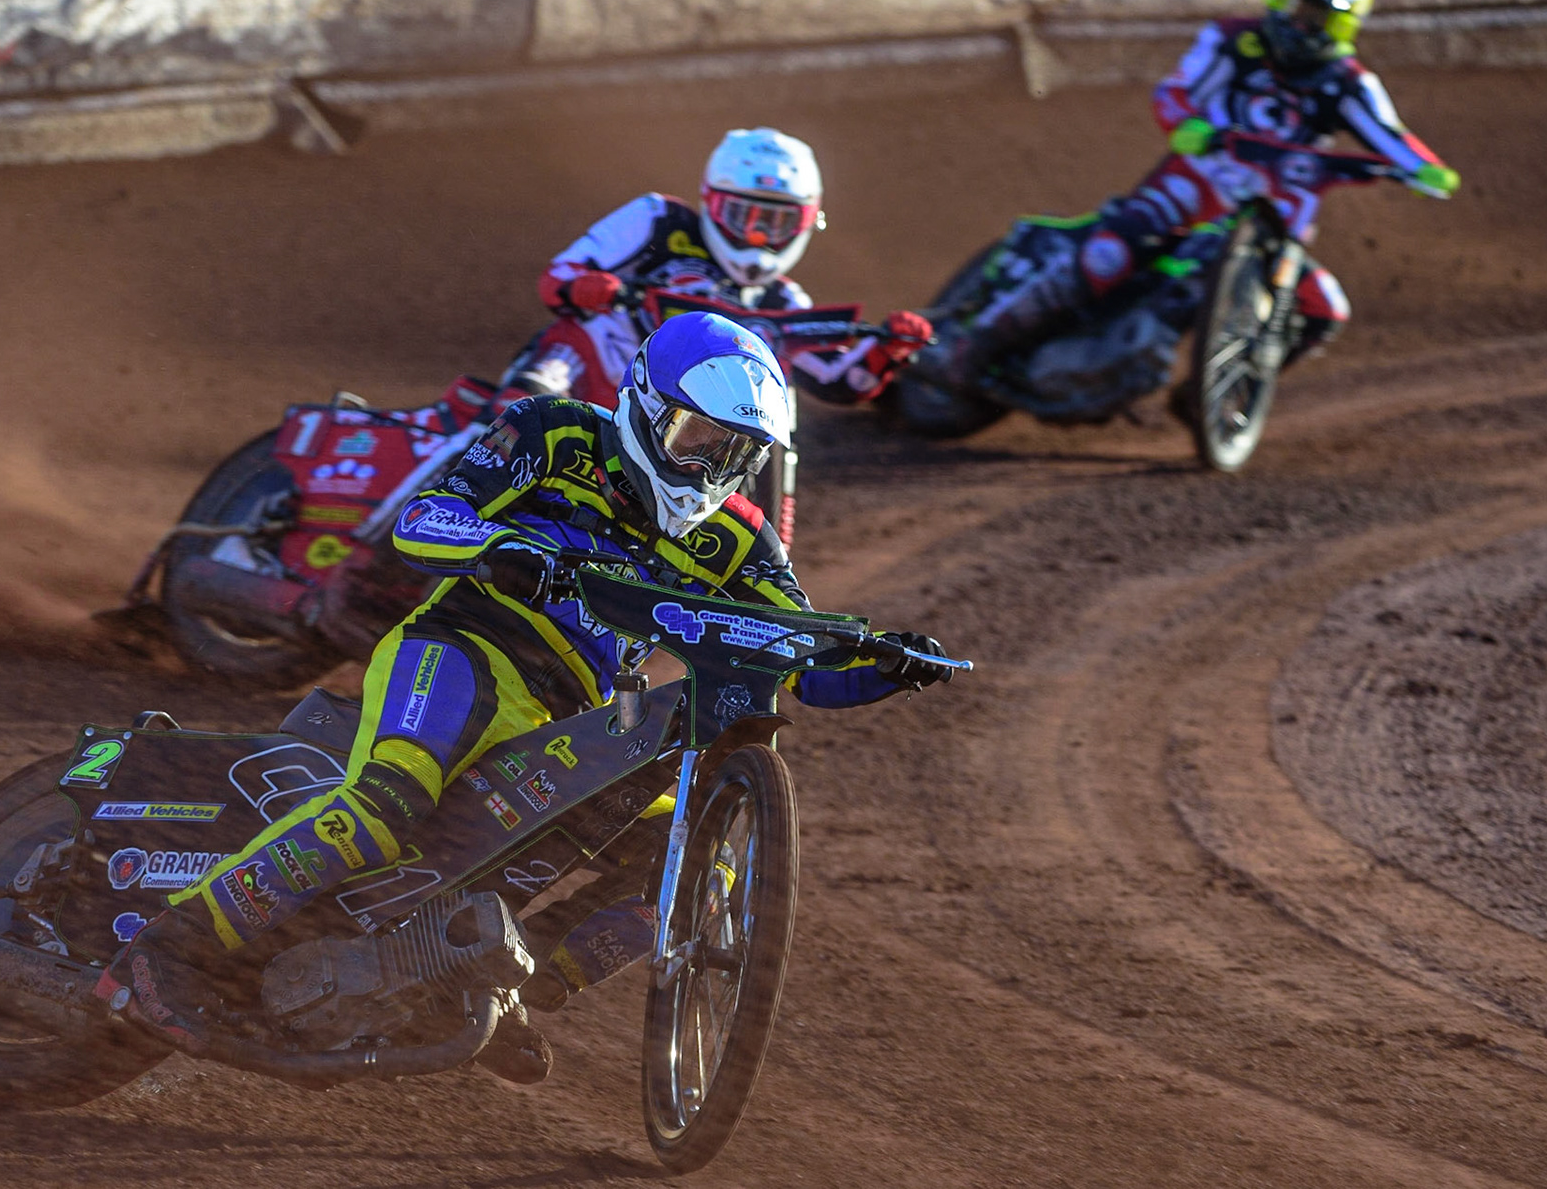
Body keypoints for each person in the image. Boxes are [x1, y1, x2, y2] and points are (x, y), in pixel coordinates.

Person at [97, 311, 954, 1066]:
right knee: (385, 803)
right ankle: (168, 948)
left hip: (576, 717)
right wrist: (497, 546)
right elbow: (423, 521)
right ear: (649, 409)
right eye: (701, 441)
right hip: (466, 647)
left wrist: (879, 662)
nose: (714, 469)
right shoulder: (556, 433)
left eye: (739, 454)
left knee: (687, 864)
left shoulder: (740, 537)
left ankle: (503, 984)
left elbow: (801, 660)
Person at [951, 0, 1461, 380]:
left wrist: (1426, 169)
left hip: (1270, 225)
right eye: (1288, 2)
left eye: (1309, 13)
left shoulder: (1347, 82)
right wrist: (1187, 125)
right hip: (1191, 187)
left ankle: (1219, 394)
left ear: (1338, 24)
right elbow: (1175, 92)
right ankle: (977, 347)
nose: (1291, 18)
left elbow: (1391, 136)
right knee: (1110, 255)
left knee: (1323, 310)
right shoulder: (1234, 41)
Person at [505, 126, 934, 407]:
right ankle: (478, 456)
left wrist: (887, 350)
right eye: (743, 216)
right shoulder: (658, 220)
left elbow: (836, 380)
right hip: (597, 373)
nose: (758, 237)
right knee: (560, 361)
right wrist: (587, 288)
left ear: (807, 222)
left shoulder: (780, 299)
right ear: (711, 202)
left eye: (777, 221)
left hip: (676, 414)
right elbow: (558, 278)